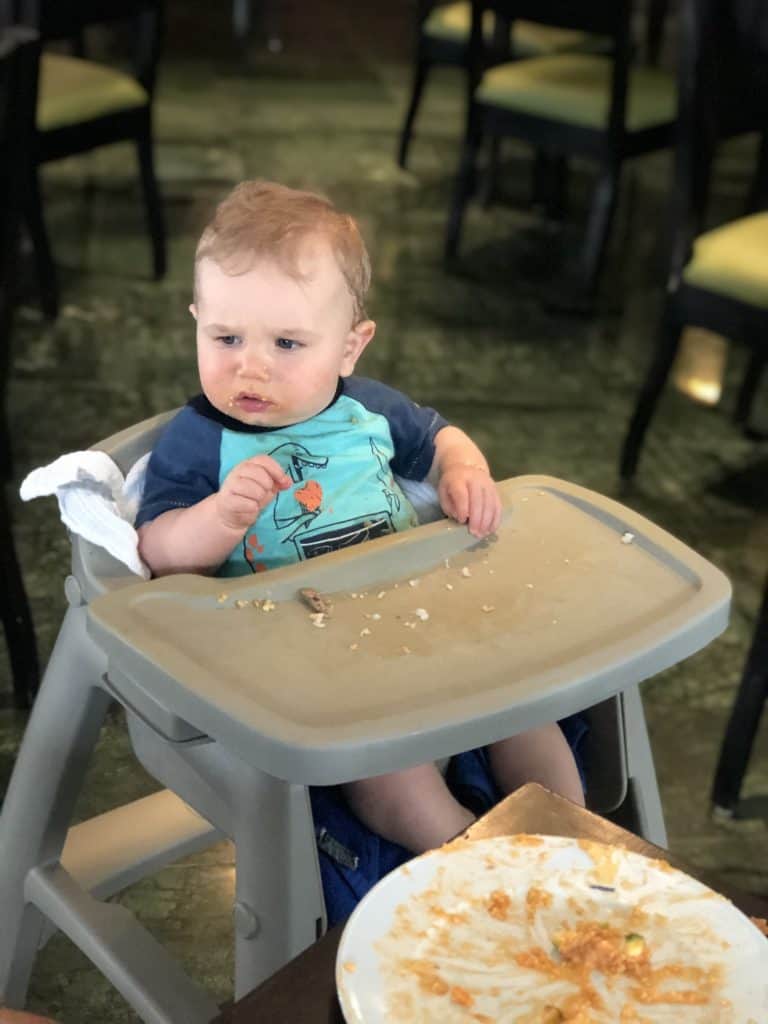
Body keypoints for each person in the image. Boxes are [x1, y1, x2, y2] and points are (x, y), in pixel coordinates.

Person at [136, 179, 586, 921]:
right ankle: (477, 868)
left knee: (522, 705)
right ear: (195, 323)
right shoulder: (200, 439)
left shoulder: (367, 410)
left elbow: (442, 436)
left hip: (420, 615)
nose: (250, 367)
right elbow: (159, 550)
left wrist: (463, 471)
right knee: (389, 773)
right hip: (311, 665)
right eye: (225, 338)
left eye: (286, 343)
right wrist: (216, 519)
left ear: (351, 345)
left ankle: (575, 844)